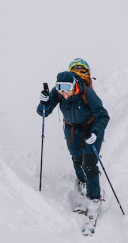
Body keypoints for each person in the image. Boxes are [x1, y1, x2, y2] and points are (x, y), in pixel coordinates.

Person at [37, 58, 109, 214]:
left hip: (91, 130)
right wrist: (43, 102)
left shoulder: (87, 93)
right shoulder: (60, 92)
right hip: (71, 130)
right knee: (77, 159)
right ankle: (83, 181)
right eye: (60, 89)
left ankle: (95, 198)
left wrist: (96, 132)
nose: (64, 93)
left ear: (74, 85)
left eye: (67, 89)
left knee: (89, 164)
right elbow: (44, 111)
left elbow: (103, 115)